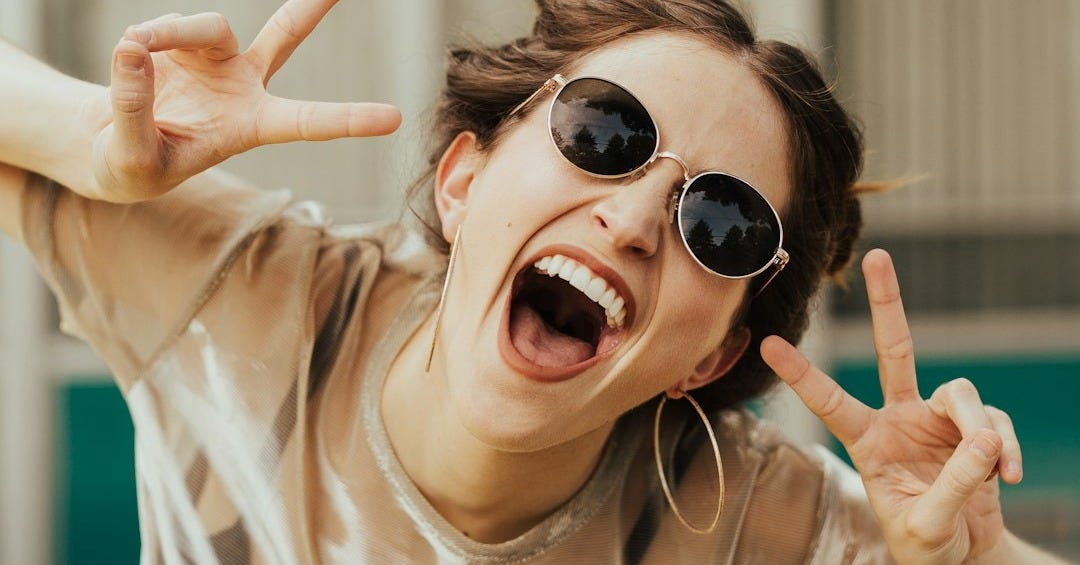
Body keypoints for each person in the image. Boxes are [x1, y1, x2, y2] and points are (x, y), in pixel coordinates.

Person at [0, 0, 1068, 563]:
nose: (640, 218)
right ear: (463, 179)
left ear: (713, 356)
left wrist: (975, 560)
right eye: (604, 133)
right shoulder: (249, 296)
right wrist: (92, 139)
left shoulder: (745, 520)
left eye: (723, 223)